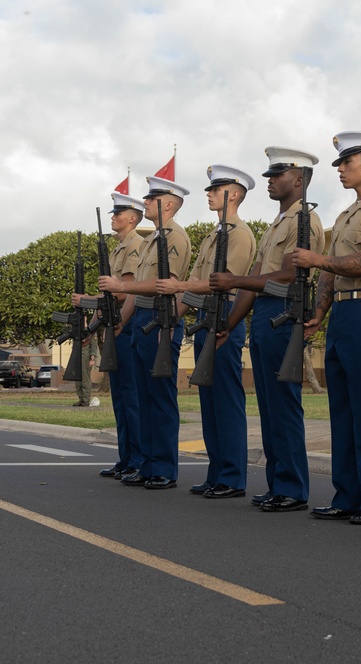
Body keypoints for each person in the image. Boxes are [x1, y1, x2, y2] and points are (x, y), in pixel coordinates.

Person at [292, 132, 361, 525]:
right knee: (343, 411)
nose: (339, 168)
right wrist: (319, 313)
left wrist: (317, 259)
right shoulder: (346, 215)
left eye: (347, 161)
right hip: (342, 315)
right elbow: (331, 273)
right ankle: (347, 494)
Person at [210, 147, 323, 513]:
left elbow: (290, 275)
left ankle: (293, 487)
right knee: (270, 406)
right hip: (264, 314)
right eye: (270, 175)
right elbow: (255, 281)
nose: (271, 181)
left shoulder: (305, 221)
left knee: (284, 405)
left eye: (278, 175)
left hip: (284, 313)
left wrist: (237, 279)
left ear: (299, 179)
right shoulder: (278, 223)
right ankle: (279, 483)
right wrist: (229, 322)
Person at [156, 165, 257, 499]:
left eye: (216, 189)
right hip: (205, 316)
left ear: (235, 194)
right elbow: (194, 290)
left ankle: (232, 477)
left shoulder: (240, 234)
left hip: (225, 313)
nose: (209, 194)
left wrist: (180, 286)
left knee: (226, 401)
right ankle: (217, 473)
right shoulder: (213, 236)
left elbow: (219, 281)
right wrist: (172, 320)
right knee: (210, 402)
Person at [100, 176, 192, 490]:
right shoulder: (154, 238)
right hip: (142, 319)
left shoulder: (175, 237)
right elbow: (140, 293)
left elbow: (166, 285)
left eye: (152, 199)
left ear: (168, 204)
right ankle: (148, 464)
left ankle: (164, 467)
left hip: (159, 320)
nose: (147, 202)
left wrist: (121, 287)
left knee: (160, 399)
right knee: (144, 397)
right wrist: (122, 321)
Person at [83, 191, 144, 478]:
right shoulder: (118, 248)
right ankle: (126, 457)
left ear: (132, 218)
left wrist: (105, 303)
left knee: (131, 396)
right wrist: (91, 311)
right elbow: (110, 294)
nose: (113, 217)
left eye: (118, 214)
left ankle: (137, 458)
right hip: (114, 324)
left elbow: (126, 289)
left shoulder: (135, 246)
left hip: (126, 323)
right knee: (119, 396)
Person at [72, 335, 99, 407]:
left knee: (85, 379)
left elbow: (93, 347)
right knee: (78, 381)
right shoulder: (76, 337)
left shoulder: (90, 336)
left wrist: (92, 359)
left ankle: (86, 400)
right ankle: (81, 399)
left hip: (86, 359)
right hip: (77, 359)